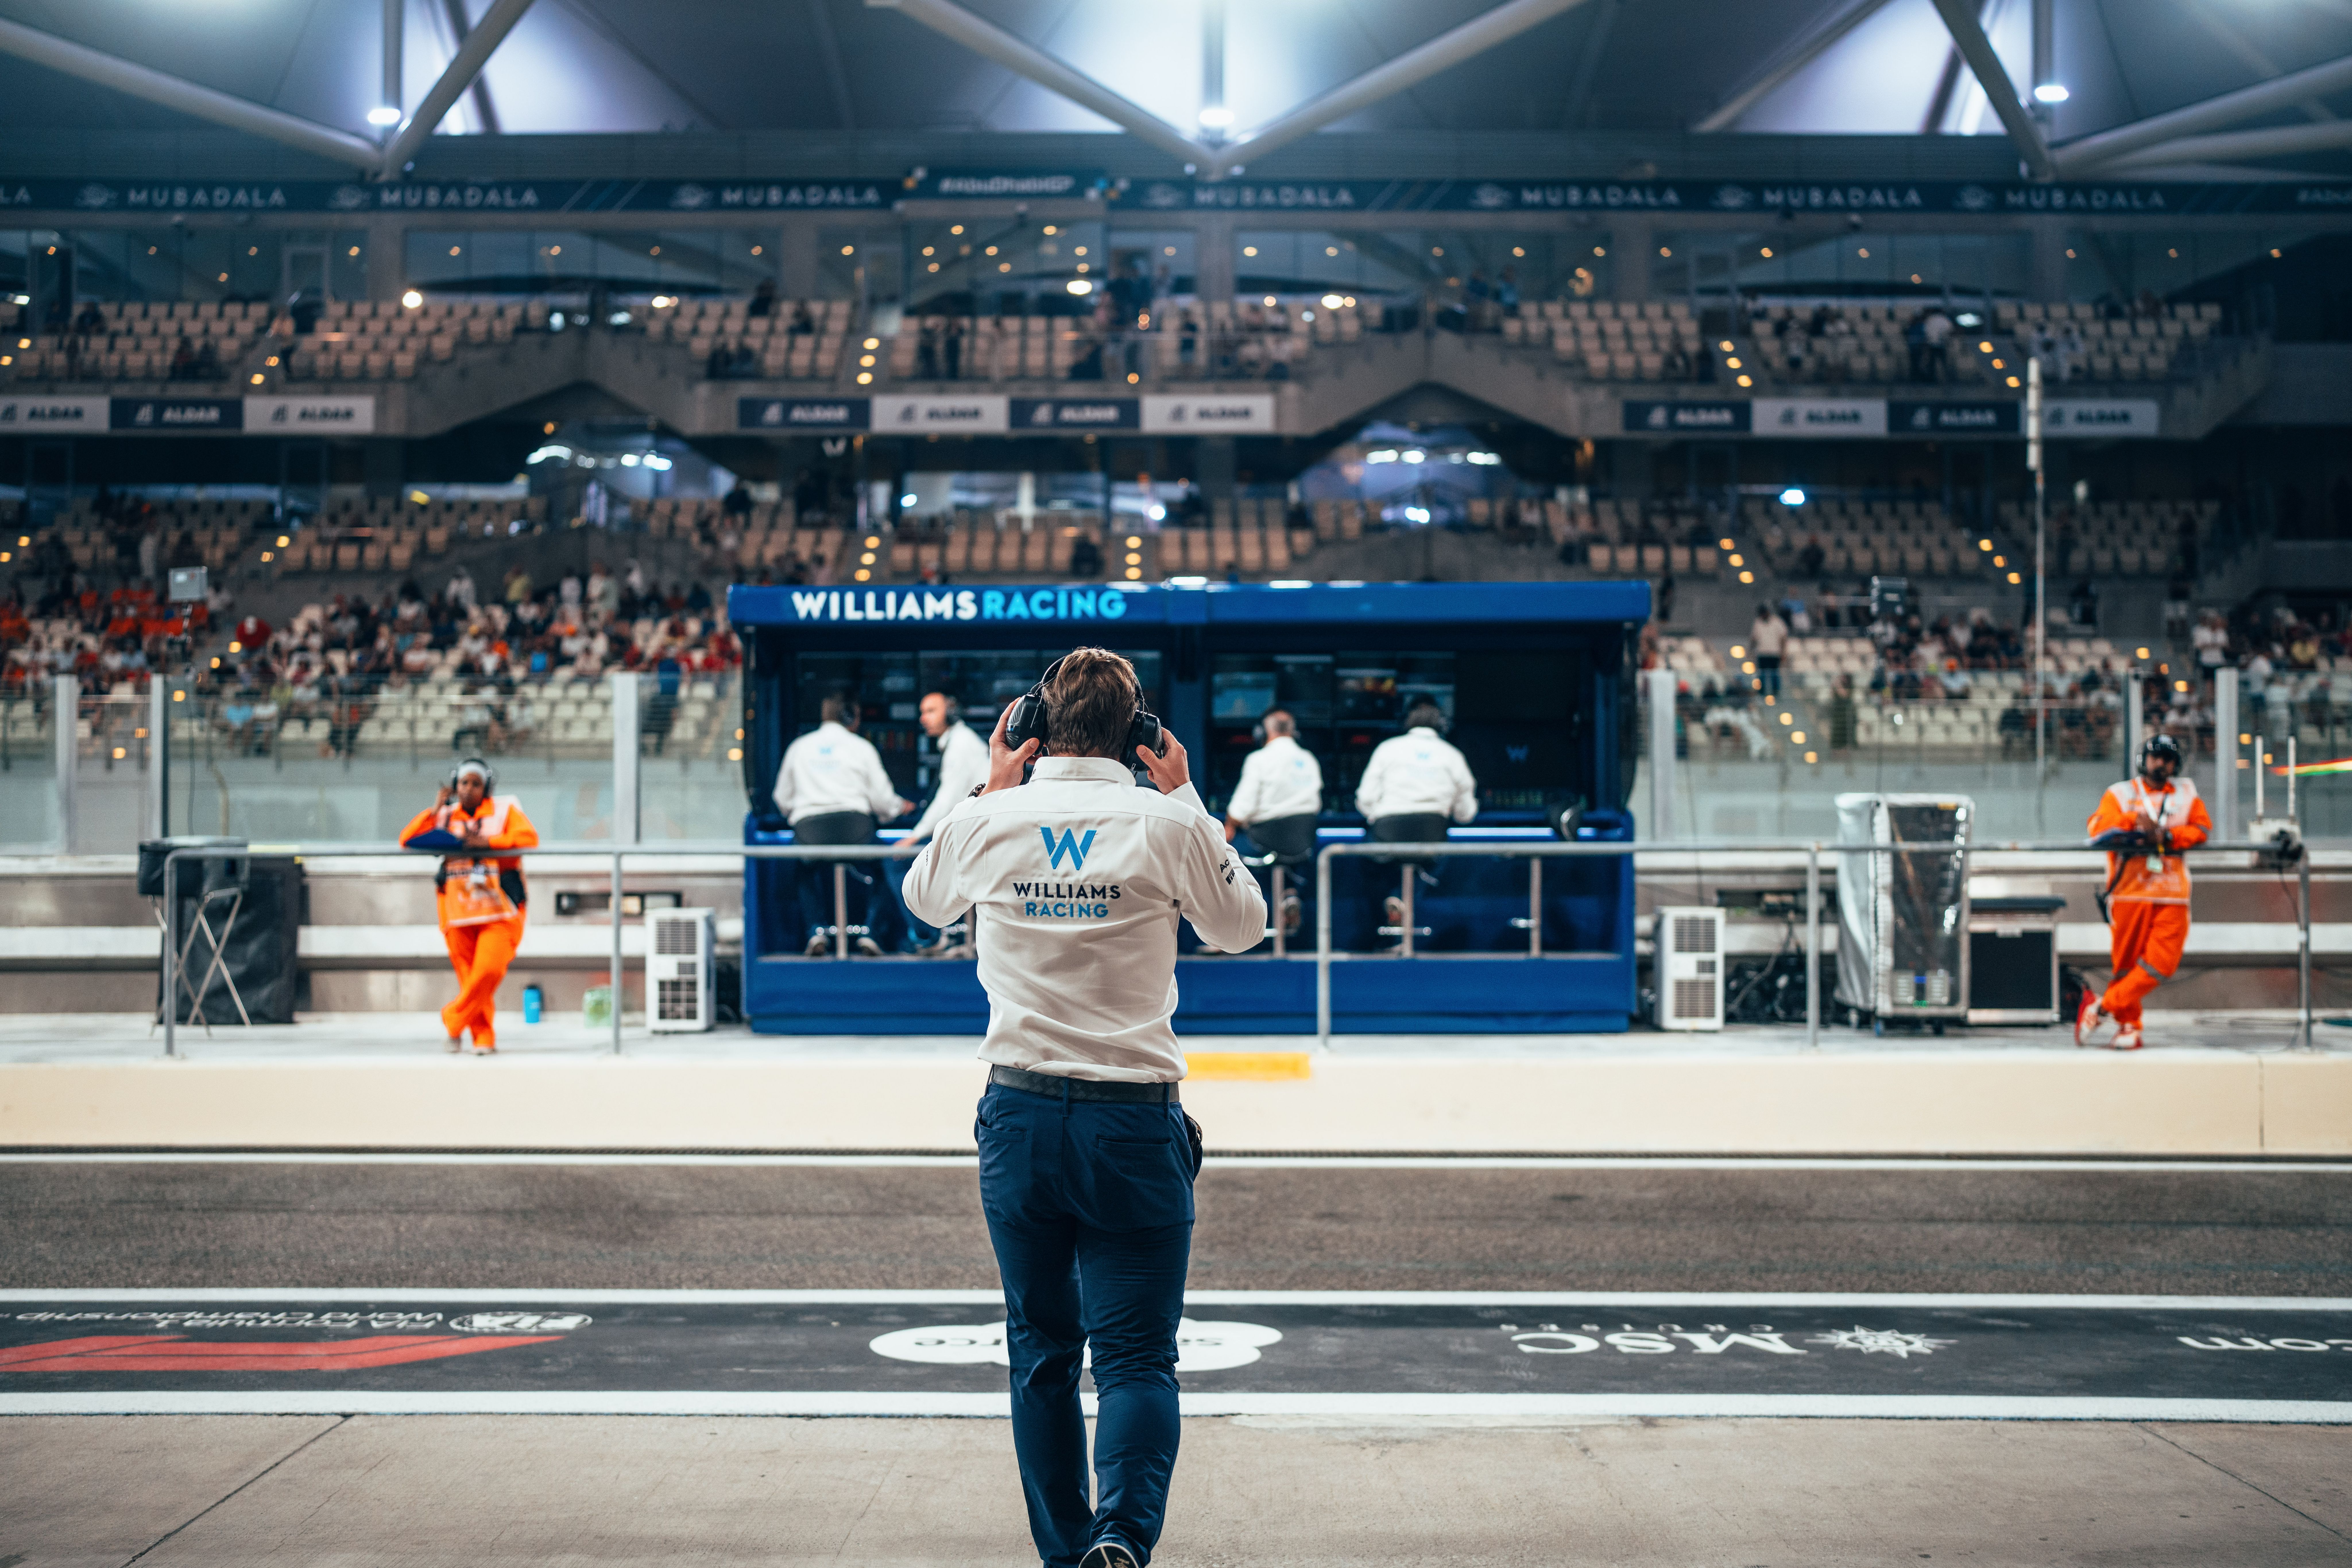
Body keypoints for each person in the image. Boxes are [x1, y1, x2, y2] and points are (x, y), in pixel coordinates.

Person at [900, 648, 1264, 1568]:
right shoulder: (1164, 820)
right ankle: (1124, 1537)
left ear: (1029, 723)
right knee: (1138, 1356)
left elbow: (924, 901)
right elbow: (1241, 925)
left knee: (1043, 1353)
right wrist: (1185, 800)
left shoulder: (991, 818)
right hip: (1134, 1120)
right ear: (1141, 734)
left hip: (1019, 1118)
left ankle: (1067, 1553)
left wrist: (989, 784)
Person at [399, 758, 539, 1054]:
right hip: (456, 907)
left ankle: (453, 1019)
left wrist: (487, 842)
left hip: (500, 906)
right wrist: (435, 809)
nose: (469, 789)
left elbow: (528, 838)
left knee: (488, 970)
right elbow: (407, 839)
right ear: (456, 785)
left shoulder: (505, 811)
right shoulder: (446, 815)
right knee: (469, 977)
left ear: (486, 786)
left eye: (476, 783)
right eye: (464, 783)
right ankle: (483, 1038)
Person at [2078, 733, 2210, 1051]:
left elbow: (2201, 829)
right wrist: (2133, 822)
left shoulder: (2186, 793)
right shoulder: (2120, 793)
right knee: (2125, 965)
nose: (2160, 763)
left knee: (2162, 963)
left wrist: (2167, 835)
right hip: (2128, 891)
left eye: (2167, 758)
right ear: (2143, 759)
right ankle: (2128, 1026)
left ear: (2175, 764)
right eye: (2155, 757)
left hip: (2172, 893)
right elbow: (2096, 826)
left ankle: (2101, 1007)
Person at [773, 690, 912, 956]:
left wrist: (802, 812)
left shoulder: (799, 747)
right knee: (886, 869)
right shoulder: (862, 747)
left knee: (804, 872)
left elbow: (782, 798)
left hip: (809, 833)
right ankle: (871, 933)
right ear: (850, 717)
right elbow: (883, 801)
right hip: (855, 830)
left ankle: (816, 931)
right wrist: (898, 809)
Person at [1353, 700, 1477, 944]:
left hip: (1387, 831)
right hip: (1432, 835)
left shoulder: (1388, 749)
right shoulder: (1452, 755)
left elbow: (1365, 799)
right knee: (1432, 861)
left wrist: (1376, 814)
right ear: (1441, 725)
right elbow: (1466, 814)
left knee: (1371, 862)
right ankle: (1404, 899)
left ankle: (1390, 909)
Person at [898, 690, 991, 953]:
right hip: (972, 829)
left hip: (975, 831)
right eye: (922, 712)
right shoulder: (957, 742)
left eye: (931, 711)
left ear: (950, 714)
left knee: (897, 860)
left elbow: (947, 800)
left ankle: (930, 936)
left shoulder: (961, 745)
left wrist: (916, 836)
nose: (923, 718)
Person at [1223, 708, 1324, 939]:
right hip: (1303, 841)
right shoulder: (1309, 759)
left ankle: (1228, 935)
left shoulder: (1259, 759)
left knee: (1224, 856)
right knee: (1289, 859)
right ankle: (1289, 894)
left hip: (1265, 840)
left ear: (1263, 732)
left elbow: (1242, 807)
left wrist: (1230, 825)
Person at [1750, 602, 1789, 699]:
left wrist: (1783, 653)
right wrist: (1751, 651)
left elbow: (1783, 638)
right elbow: (1754, 639)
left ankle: (1776, 692)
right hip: (1762, 653)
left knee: (1775, 674)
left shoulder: (1777, 622)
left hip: (1774, 653)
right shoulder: (1758, 622)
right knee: (1762, 674)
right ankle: (1762, 693)